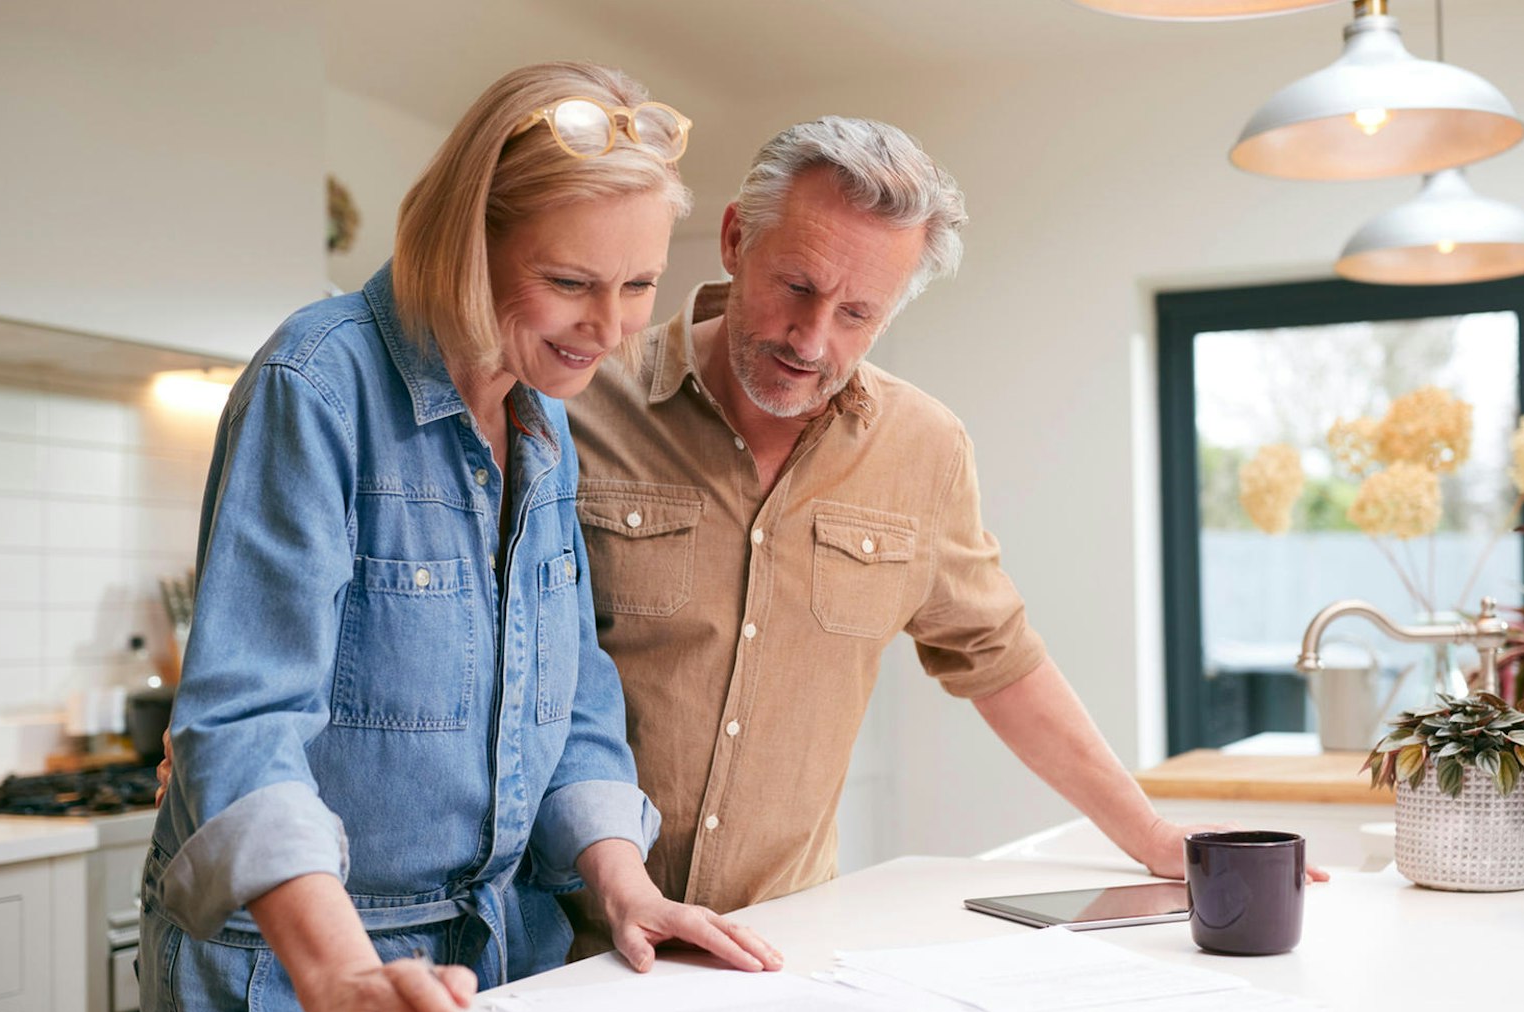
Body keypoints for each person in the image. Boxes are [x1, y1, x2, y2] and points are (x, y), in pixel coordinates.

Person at [140, 62, 779, 1012]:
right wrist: (342, 974)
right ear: (463, 241)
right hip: (300, 976)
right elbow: (243, 724)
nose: (610, 328)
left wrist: (626, 888)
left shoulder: (542, 419)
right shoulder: (316, 384)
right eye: (571, 284)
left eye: (638, 287)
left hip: (496, 958)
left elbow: (569, 709)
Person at [562, 116, 1326, 946]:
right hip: (570, 938)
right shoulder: (580, 401)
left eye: (858, 312)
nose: (813, 340)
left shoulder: (922, 449)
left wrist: (1149, 835)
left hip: (776, 943)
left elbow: (1000, 661)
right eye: (797, 287)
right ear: (736, 237)